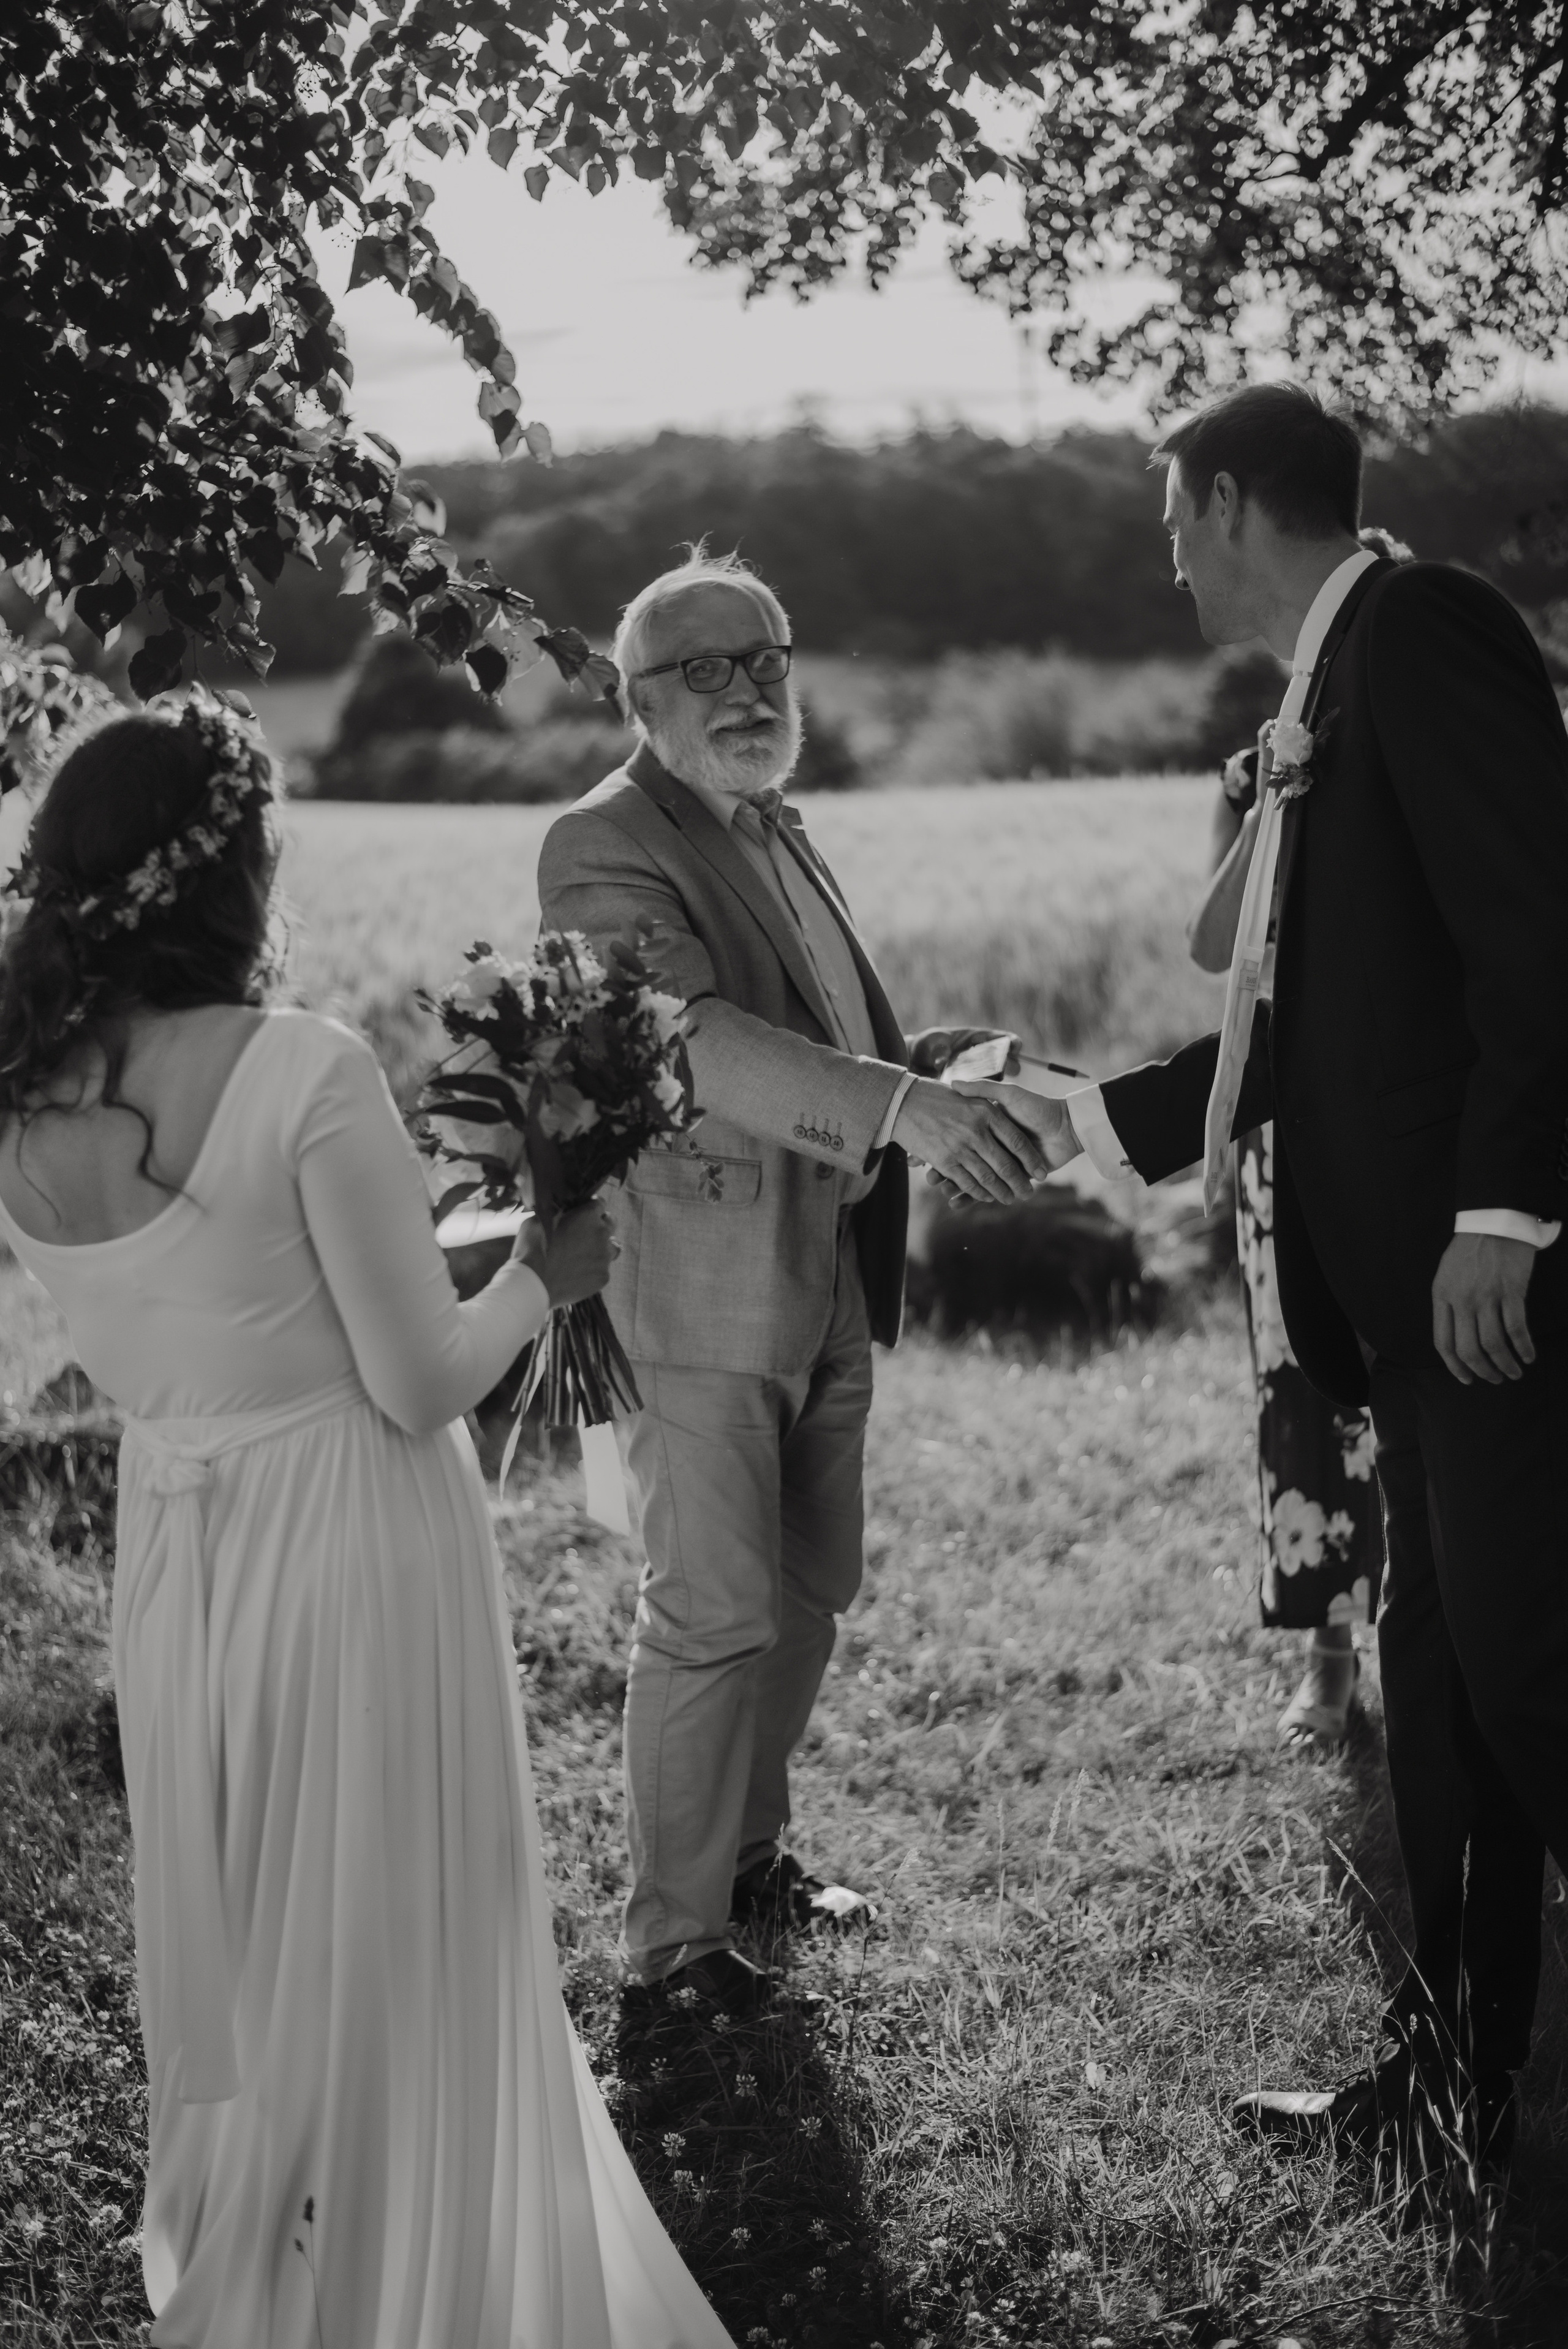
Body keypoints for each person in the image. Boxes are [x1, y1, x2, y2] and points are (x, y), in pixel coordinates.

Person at [0, 699, 735, 2349]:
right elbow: (416, 1382)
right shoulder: (299, 1065)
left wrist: (454, 1261)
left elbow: (226, 1308)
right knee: (399, 1917)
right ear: (227, 868)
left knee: (252, 1916)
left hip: (178, 1541)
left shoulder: (24, 1090)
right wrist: (545, 1277)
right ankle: (426, 2282)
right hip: (349, 1528)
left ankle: (277, 2256)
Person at [1005, 384, 1568, 2178]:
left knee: (1531, 1680)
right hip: (1401, 1308)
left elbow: (1541, 931)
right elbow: (1308, 1023)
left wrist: (1505, 1216)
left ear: (1234, 498)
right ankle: (1448, 2077)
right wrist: (1078, 1115)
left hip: (1488, 1293)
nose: (1169, 555)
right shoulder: (1314, 697)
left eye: (1175, 516)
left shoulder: (1422, 630)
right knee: (1447, 1696)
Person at [537, 550, 1056, 2012]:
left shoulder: (771, 822)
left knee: (810, 1589)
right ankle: (674, 1948)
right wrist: (899, 1107)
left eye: (765, 658)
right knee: (710, 1610)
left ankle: (750, 1861)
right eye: (706, 668)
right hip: (693, 1283)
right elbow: (682, 1033)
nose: (749, 690)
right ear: (639, 700)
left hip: (827, 1263)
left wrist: (928, 1069)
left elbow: (820, 1031)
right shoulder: (596, 842)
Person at [1189, 724, 1382, 1748]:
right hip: (1287, 1119)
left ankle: (1457, 1635)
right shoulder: (1251, 772)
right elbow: (1214, 947)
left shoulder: (1423, 746)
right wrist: (1268, 802)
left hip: (1411, 1106)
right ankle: (1330, 1651)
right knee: (1304, 1384)